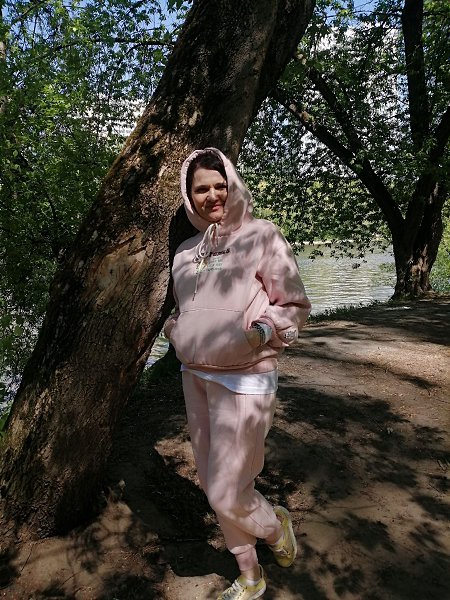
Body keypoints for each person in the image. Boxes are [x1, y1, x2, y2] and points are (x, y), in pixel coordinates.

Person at [164, 147, 311, 600]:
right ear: (189, 197)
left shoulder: (263, 235)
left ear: (233, 185)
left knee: (227, 490)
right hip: (195, 376)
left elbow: (294, 304)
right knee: (213, 484)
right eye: (201, 189)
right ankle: (250, 574)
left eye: (219, 185)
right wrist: (175, 331)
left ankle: (275, 528)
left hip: (246, 377)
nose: (212, 195)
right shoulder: (185, 253)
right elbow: (185, 309)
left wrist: (260, 332)